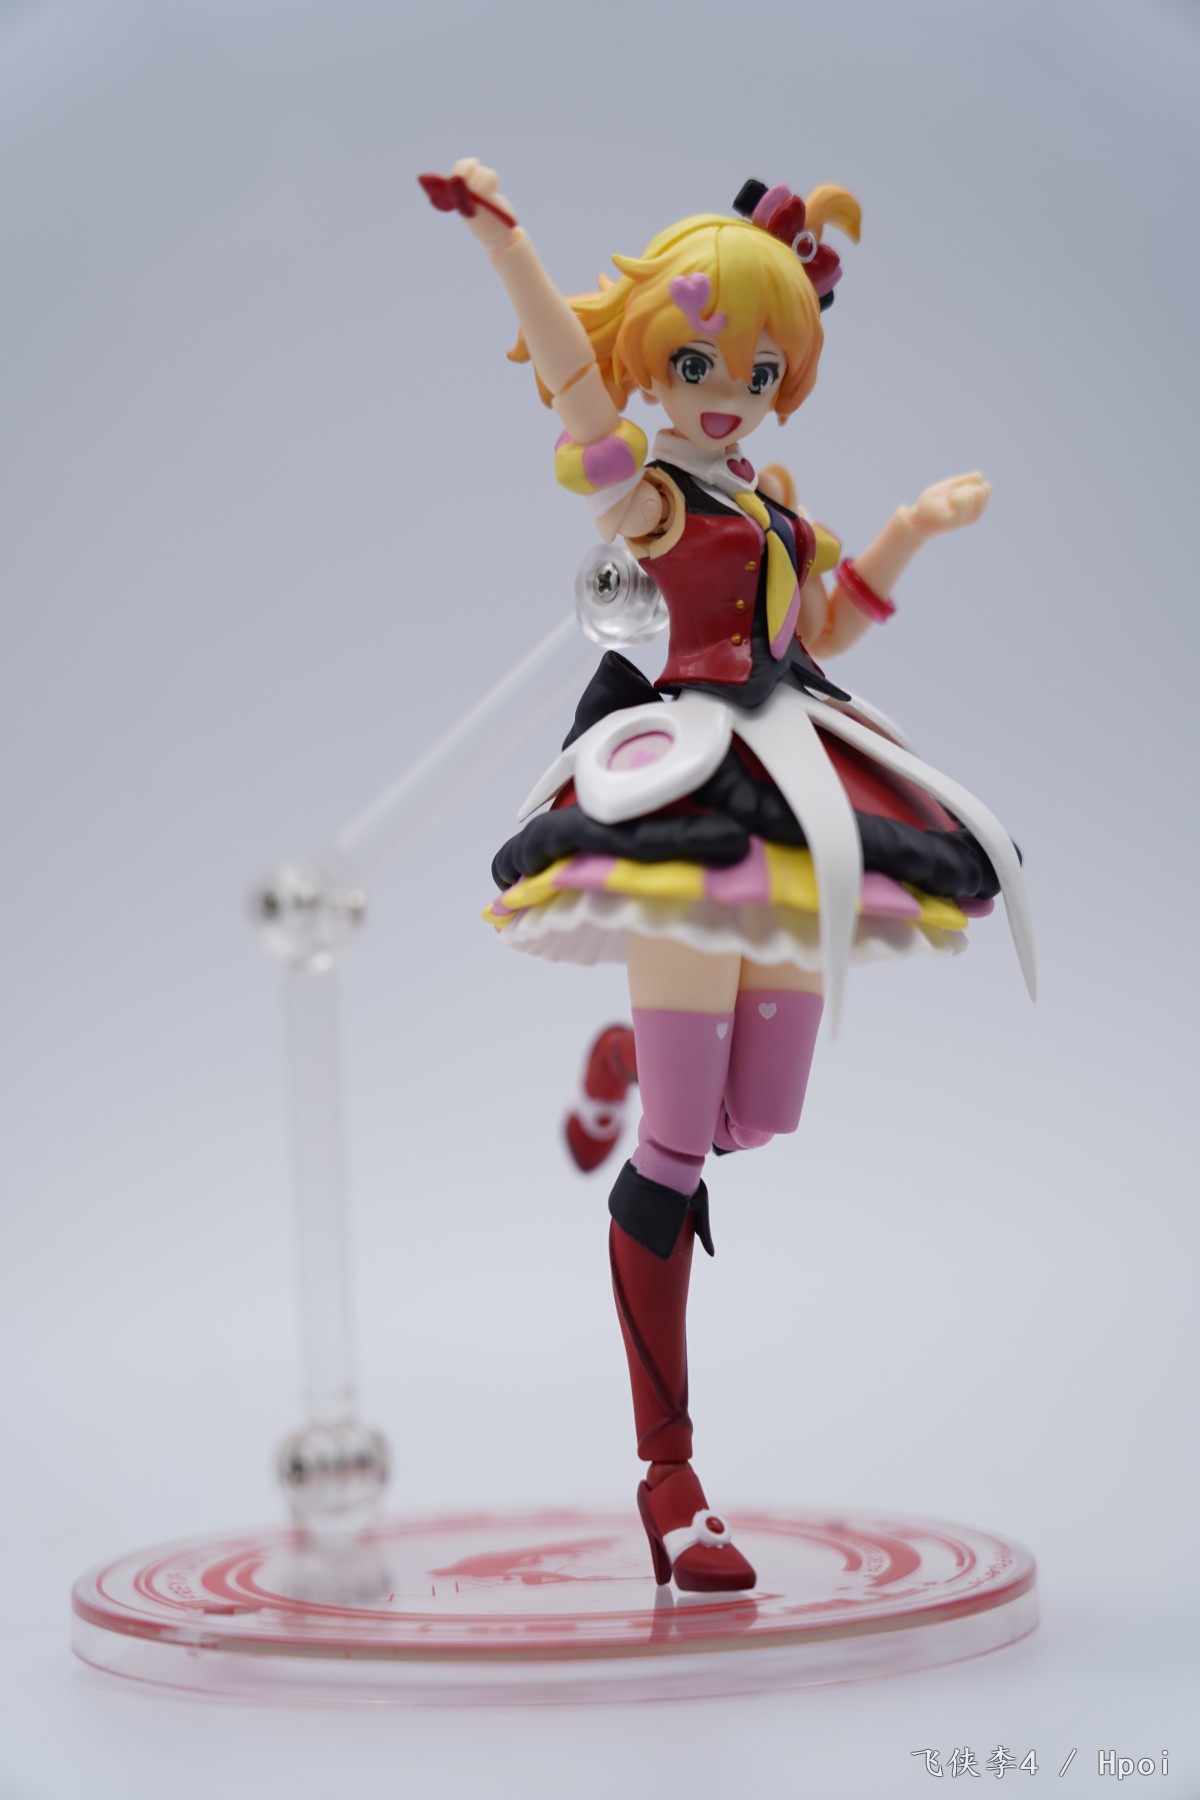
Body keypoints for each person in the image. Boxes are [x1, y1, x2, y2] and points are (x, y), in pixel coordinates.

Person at [422, 160, 1034, 1593]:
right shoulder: (650, 502)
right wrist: (507, 244)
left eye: (757, 371)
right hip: (686, 788)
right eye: (697, 365)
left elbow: (825, 621)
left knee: (760, 1117)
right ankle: (671, 1476)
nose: (725, 393)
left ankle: (631, 1054)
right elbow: (578, 397)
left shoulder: (770, 510)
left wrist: (912, 528)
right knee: (677, 1153)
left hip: (792, 771)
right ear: (655, 362)